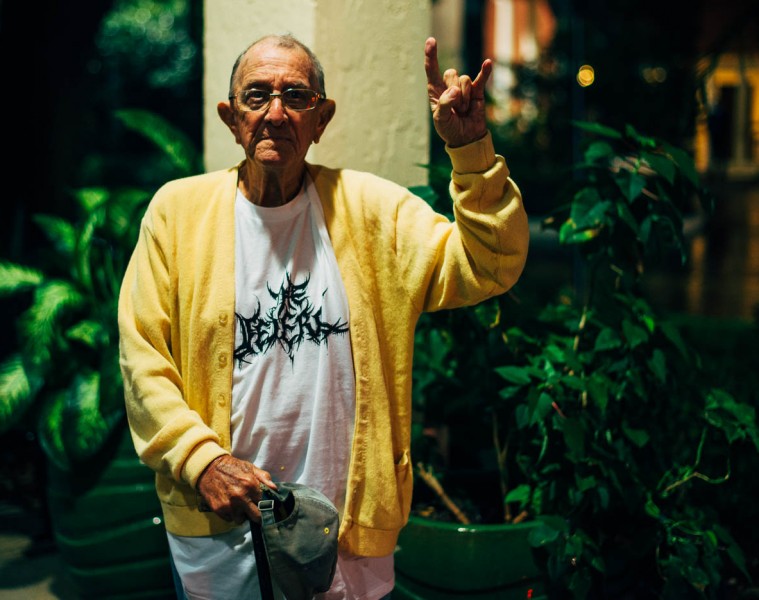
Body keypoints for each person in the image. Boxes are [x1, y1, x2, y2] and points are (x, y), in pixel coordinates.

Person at [118, 32, 529, 599]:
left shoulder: (372, 210)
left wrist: (472, 150)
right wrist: (202, 461)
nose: (276, 113)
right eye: (256, 95)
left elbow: (490, 263)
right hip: (220, 522)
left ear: (322, 118)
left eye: (297, 96)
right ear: (231, 118)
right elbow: (142, 360)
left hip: (350, 527)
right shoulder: (177, 214)